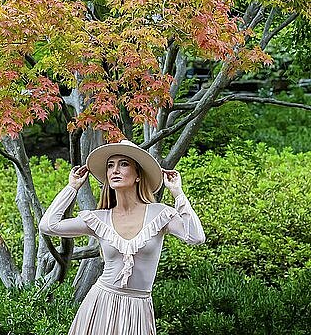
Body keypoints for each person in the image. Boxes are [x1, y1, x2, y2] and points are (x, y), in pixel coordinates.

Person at [39, 140, 205, 335]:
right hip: (100, 304)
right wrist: (72, 187)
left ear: (137, 175)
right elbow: (48, 225)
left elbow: (195, 237)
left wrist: (177, 192)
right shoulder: (99, 219)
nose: (115, 170)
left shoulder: (160, 215)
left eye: (123, 164)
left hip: (138, 309)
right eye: (110, 165)